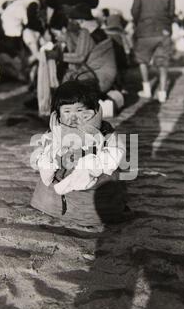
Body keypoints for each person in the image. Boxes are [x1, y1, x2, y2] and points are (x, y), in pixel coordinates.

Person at [30, 80, 127, 228]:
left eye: (80, 111)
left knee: (103, 176)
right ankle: (55, 201)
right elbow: (42, 148)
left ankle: (90, 209)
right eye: (67, 111)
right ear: (58, 113)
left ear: (93, 111)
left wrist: (91, 163)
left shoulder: (104, 131)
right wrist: (46, 159)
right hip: (58, 183)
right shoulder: (55, 131)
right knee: (48, 166)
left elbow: (115, 154)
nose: (74, 117)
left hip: (91, 180)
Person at [131, 0, 175, 103]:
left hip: (145, 31)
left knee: (142, 60)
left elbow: (134, 11)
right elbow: (171, 13)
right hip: (163, 32)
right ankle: (162, 93)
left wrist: (140, 23)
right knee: (163, 63)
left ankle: (147, 89)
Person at [60, 3, 117, 94]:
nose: (71, 23)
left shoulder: (86, 32)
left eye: (72, 20)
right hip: (108, 77)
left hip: (98, 79)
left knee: (68, 78)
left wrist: (58, 55)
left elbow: (79, 57)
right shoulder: (97, 30)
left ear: (80, 21)